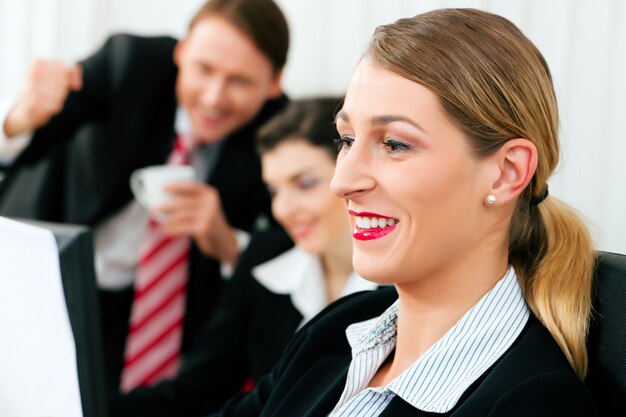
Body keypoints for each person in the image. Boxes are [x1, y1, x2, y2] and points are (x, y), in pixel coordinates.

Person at [209, 8, 599, 416]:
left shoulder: (534, 404)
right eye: (346, 139)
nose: (342, 182)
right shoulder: (335, 333)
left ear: (506, 173)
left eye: (394, 144)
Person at [0, 0, 289, 393]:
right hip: (45, 282)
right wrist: (22, 115)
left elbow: (288, 252)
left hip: (159, 329)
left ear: (274, 83)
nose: (214, 97)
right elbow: (34, 136)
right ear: (182, 52)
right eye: (203, 69)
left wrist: (227, 242)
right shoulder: (130, 62)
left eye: (239, 81)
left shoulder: (282, 136)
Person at [107, 97, 378, 417]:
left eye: (305, 184)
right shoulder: (264, 260)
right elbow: (194, 392)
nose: (284, 210)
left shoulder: (405, 283)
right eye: (274, 191)